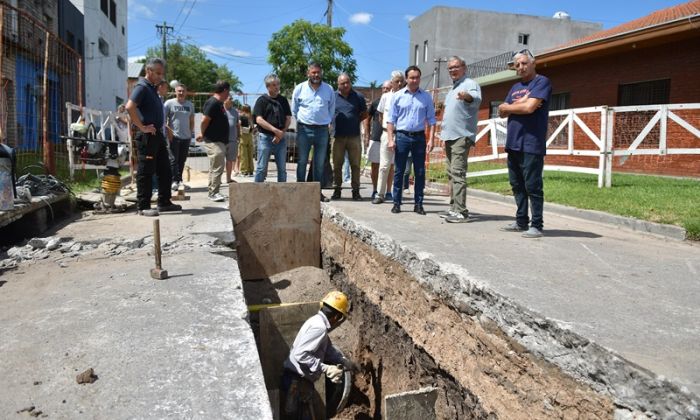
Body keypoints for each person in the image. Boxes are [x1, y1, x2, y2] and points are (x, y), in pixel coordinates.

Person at [498, 49, 551, 238]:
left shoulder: (542, 82)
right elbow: (501, 111)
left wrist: (515, 106)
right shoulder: (514, 88)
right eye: (517, 65)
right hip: (513, 142)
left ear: (533, 63)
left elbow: (529, 108)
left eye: (524, 63)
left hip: (531, 143)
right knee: (516, 184)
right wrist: (517, 105)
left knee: (532, 185)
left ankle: (537, 224)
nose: (520, 67)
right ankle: (521, 221)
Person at [281, 291, 357, 420]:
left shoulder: (316, 322)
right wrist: (325, 368)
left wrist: (343, 361)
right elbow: (300, 354)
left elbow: (327, 349)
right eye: (340, 318)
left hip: (297, 380)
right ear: (336, 316)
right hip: (297, 382)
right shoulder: (319, 328)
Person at [125, 57, 181, 216]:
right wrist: (142, 127)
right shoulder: (142, 87)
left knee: (165, 169)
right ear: (148, 71)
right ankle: (143, 206)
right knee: (146, 171)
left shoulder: (153, 88)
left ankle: (164, 202)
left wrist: (165, 127)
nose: (160, 76)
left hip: (158, 136)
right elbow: (130, 107)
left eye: (162, 73)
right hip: (147, 137)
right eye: (157, 73)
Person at [386, 66, 436, 215]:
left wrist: (431, 139)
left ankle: (419, 204)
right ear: (406, 79)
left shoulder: (426, 97)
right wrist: (390, 139)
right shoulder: (398, 96)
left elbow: (432, 120)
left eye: (417, 78)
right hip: (402, 137)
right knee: (399, 171)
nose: (414, 80)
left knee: (420, 171)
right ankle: (396, 203)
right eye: (412, 77)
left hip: (419, 137)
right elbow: (390, 120)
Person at [438, 56, 482, 223]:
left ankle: (461, 212)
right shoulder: (452, 89)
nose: (452, 70)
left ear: (464, 67)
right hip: (449, 136)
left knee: (458, 172)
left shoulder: (470, 84)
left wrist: (466, 96)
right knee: (451, 173)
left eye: (456, 67)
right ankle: (454, 208)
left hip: (461, 135)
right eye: (450, 68)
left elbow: (475, 98)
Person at [292, 62, 336, 202]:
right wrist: (300, 121)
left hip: (322, 130)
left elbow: (331, 108)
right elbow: (294, 109)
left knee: (319, 162)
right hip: (304, 129)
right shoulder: (299, 88)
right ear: (308, 73)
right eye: (313, 72)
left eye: (318, 72)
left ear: (321, 73)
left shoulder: (328, 89)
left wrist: (327, 121)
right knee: (302, 161)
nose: (316, 75)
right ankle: (300, 191)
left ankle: (317, 193)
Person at [331, 73, 368, 201]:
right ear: (338, 84)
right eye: (343, 83)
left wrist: (353, 120)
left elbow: (364, 114)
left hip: (354, 136)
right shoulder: (333, 96)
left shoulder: (358, 96)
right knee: (337, 165)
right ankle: (337, 190)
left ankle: (356, 192)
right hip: (337, 137)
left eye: (348, 82)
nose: (346, 85)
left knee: (355, 165)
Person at [372, 71, 405, 205]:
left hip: (402, 134)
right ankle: (380, 194)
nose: (398, 83)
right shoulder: (385, 97)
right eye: (396, 81)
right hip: (387, 134)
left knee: (399, 167)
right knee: (384, 166)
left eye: (400, 81)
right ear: (391, 83)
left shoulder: (405, 97)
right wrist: (388, 129)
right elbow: (380, 115)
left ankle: (396, 195)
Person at [252, 74, 292, 183]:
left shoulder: (283, 100)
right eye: (274, 85)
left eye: (278, 84)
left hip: (281, 138)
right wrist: (275, 131)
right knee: (261, 168)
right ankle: (257, 193)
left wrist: (281, 133)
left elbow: (288, 118)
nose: (277, 87)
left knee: (282, 169)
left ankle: (282, 194)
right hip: (265, 137)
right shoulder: (262, 100)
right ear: (268, 86)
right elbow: (259, 119)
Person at [196, 80, 230, 202]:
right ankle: (214, 192)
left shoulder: (219, 103)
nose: (229, 95)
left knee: (215, 167)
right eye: (228, 92)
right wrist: (202, 133)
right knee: (217, 167)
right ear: (225, 90)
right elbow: (204, 120)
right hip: (213, 141)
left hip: (219, 141)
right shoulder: (213, 103)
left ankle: (213, 191)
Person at [164, 83, 195, 191]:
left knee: (182, 160)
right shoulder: (169, 103)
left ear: (186, 92)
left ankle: (180, 180)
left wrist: (190, 133)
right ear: (175, 92)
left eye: (183, 91)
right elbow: (163, 120)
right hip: (174, 137)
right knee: (173, 160)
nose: (181, 93)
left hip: (186, 137)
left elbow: (191, 121)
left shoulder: (190, 105)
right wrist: (168, 131)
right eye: (179, 91)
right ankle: (174, 181)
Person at [365, 81, 391, 200]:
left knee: (390, 166)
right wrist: (367, 136)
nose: (385, 90)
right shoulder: (375, 102)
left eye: (388, 88)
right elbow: (367, 119)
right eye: (384, 88)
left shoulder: (394, 100)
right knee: (375, 166)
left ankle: (389, 191)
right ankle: (375, 189)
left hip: (390, 137)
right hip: (376, 137)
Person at [223, 96, 241, 183]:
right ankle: (216, 180)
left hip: (232, 139)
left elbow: (237, 125)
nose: (231, 100)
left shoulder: (235, 111)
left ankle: (228, 178)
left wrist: (238, 135)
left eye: (231, 99)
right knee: (218, 161)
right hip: (220, 140)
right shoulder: (219, 109)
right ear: (224, 100)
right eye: (229, 98)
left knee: (230, 160)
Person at [238, 105, 255, 176]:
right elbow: (252, 127)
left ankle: (244, 170)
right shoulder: (251, 116)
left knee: (243, 153)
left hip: (243, 135)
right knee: (250, 153)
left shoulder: (240, 116)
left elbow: (239, 125)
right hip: (250, 135)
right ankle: (250, 170)